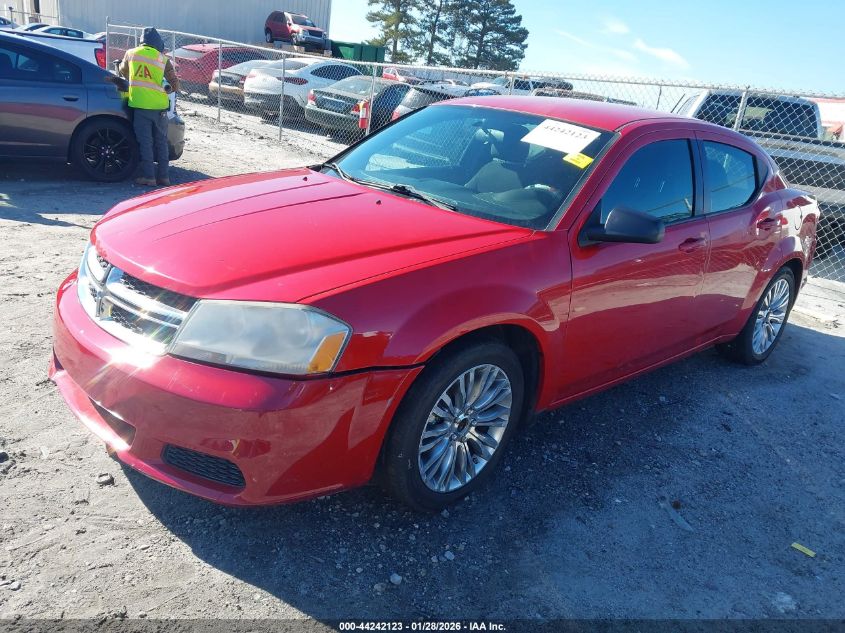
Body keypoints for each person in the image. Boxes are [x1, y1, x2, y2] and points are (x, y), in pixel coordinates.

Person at [118, 27, 181, 187]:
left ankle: (149, 178)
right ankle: (164, 178)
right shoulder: (162, 59)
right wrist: (164, 88)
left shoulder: (131, 53)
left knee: (145, 143)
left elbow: (123, 72)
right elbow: (175, 84)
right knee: (161, 142)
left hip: (140, 106)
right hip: (160, 107)